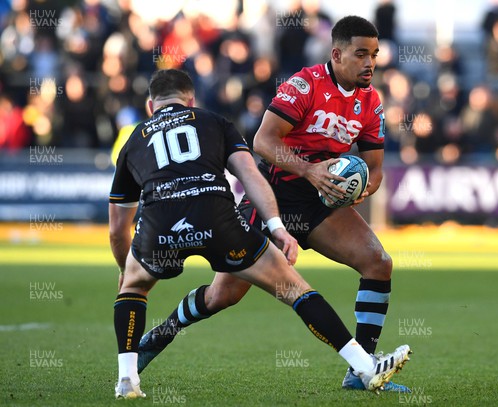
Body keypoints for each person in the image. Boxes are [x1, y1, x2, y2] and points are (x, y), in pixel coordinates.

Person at [137, 16, 411, 392]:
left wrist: (358, 191)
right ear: (336, 54)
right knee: (223, 295)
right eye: (360, 54)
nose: (370, 63)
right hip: (272, 199)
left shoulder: (371, 102)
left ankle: (361, 370)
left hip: (319, 203)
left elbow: (376, 169)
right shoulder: (304, 85)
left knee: (378, 263)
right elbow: (263, 142)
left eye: (374, 55)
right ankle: (161, 334)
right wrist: (311, 170)